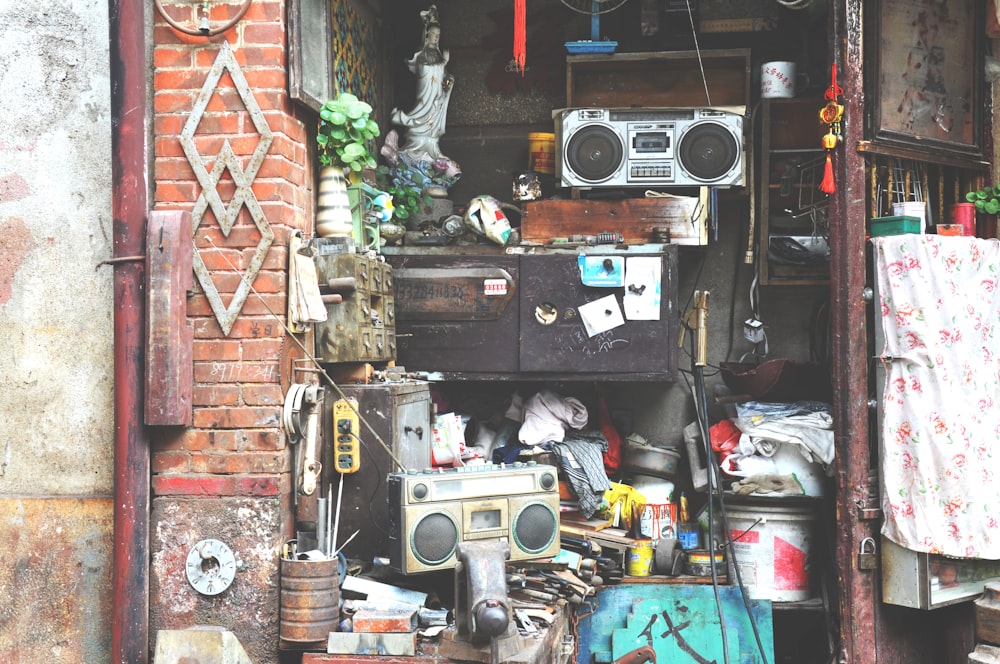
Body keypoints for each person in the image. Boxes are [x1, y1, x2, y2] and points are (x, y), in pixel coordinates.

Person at [391, 6, 454, 163]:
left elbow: (443, 75)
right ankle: (414, 146)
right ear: (427, 35)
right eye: (433, 34)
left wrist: (447, 80)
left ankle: (433, 148)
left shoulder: (437, 53)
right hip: (425, 95)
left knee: (435, 117)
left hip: (436, 96)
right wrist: (443, 63)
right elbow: (423, 69)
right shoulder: (423, 53)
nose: (436, 38)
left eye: (438, 35)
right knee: (422, 113)